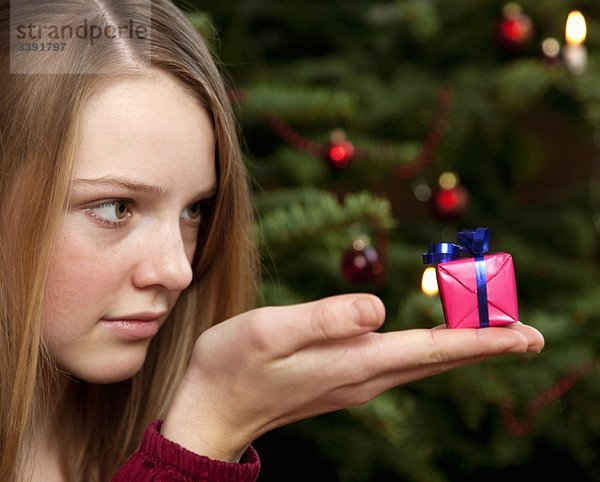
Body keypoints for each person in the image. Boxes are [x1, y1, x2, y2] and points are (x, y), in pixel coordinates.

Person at [0, 1, 545, 481]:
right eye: (116, 208)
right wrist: (203, 435)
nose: (178, 270)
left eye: (195, 209)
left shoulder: (106, 430)